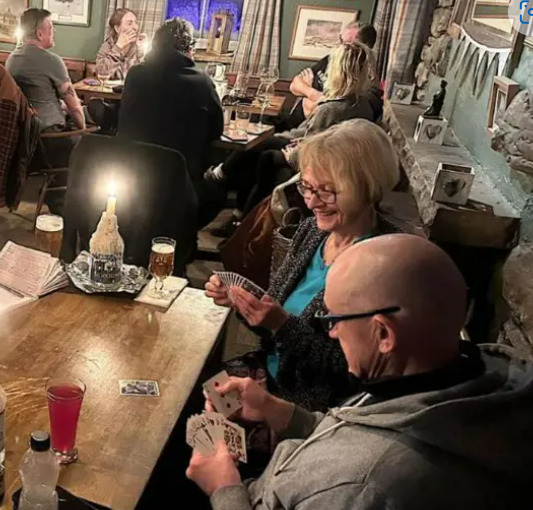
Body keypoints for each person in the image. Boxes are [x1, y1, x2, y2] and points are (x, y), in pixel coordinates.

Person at [189, 234, 533, 510]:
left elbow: (354, 464)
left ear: (383, 334)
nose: (332, 333)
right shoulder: (465, 374)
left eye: (334, 319)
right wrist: (279, 411)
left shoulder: (362, 488)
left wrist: (224, 488)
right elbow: (361, 424)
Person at [206, 119, 401, 412]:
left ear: (368, 188)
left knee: (202, 431)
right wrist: (242, 302)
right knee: (188, 399)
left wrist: (281, 325)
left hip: (309, 407)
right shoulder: (312, 232)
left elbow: (352, 374)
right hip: (267, 374)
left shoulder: (383, 265)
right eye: (307, 187)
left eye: (327, 192)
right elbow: (274, 317)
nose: (311, 202)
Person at [214, 41, 379, 218]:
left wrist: (291, 153)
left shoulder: (332, 108)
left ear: (338, 71)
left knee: (265, 155)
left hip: (319, 160)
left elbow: (311, 151)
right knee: (263, 142)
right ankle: (235, 201)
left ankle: (242, 212)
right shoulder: (361, 104)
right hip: (311, 146)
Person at [119, 17, 224, 228]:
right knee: (219, 186)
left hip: (131, 176)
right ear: (189, 48)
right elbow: (216, 131)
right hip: (179, 182)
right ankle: (184, 238)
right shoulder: (202, 82)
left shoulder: (136, 75)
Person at [6, 7, 86, 213]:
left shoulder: (12, 59)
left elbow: (34, 95)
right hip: (51, 140)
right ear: (40, 33)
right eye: (51, 27)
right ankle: (71, 203)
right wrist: (83, 131)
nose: (54, 31)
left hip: (25, 139)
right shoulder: (52, 60)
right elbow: (75, 106)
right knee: (92, 141)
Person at [287, 22, 378, 127]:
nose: (339, 46)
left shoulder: (367, 83)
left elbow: (323, 113)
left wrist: (306, 94)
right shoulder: (331, 59)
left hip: (306, 133)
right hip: (291, 124)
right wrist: (316, 95)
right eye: (340, 40)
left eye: (347, 44)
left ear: (364, 49)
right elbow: (294, 85)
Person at [88, 7, 147, 133]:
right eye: (130, 23)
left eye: (136, 23)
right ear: (117, 28)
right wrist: (118, 48)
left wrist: (142, 51)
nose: (135, 27)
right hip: (110, 100)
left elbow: (147, 73)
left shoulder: (140, 47)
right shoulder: (108, 46)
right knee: (95, 106)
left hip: (133, 100)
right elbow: (102, 73)